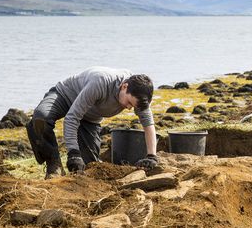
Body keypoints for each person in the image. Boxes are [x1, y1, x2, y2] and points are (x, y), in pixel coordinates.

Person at [26, 66, 158, 179]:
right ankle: (54, 165)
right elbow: (72, 118)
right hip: (64, 96)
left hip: (90, 118)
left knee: (90, 168)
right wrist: (73, 153)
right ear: (124, 86)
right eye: (129, 103)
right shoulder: (100, 82)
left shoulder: (141, 94)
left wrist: (152, 156)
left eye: (133, 106)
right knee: (40, 119)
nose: (129, 108)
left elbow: (148, 124)